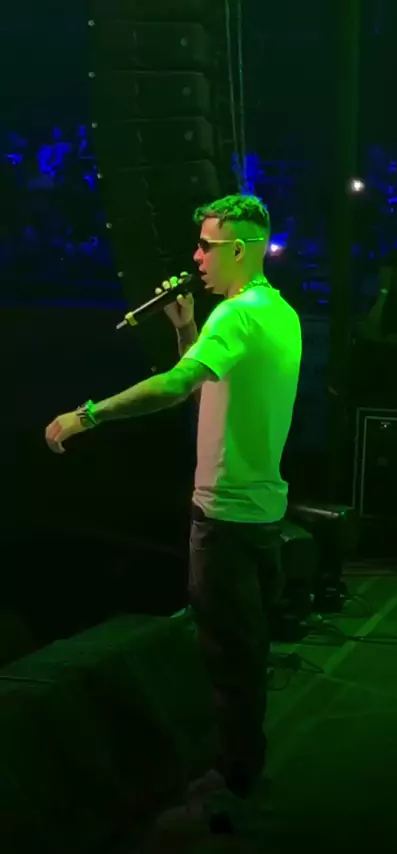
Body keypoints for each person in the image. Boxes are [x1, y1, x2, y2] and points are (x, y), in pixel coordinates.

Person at [45, 194, 303, 832]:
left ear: (238, 249)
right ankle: (240, 768)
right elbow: (206, 388)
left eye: (207, 246)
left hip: (226, 520)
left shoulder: (236, 316)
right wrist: (186, 328)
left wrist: (86, 415)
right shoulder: (278, 313)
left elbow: (175, 386)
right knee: (242, 652)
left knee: (228, 659)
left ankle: (233, 785)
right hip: (262, 514)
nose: (197, 257)